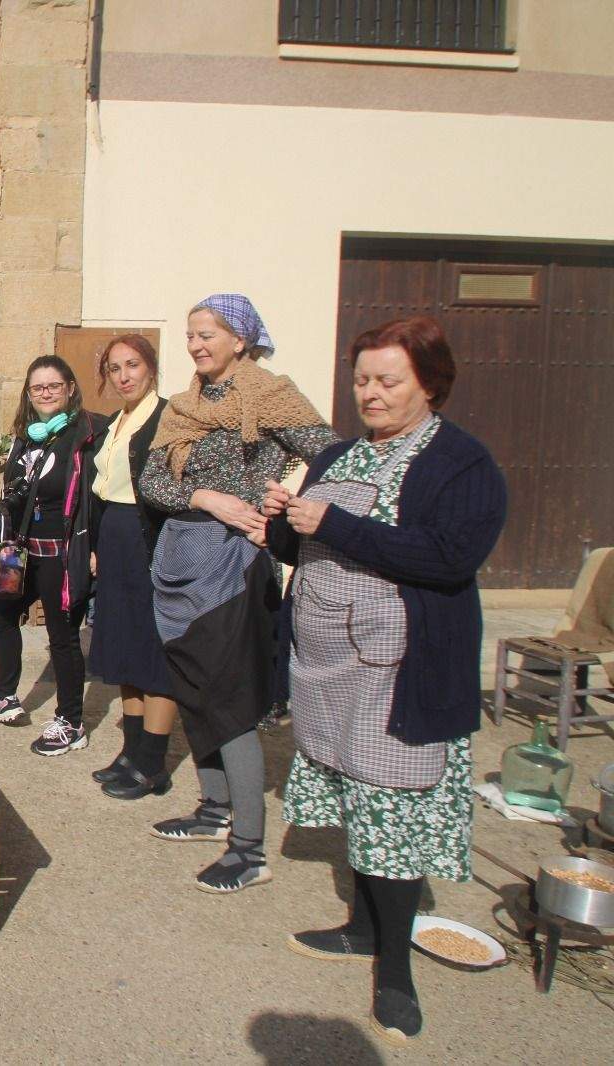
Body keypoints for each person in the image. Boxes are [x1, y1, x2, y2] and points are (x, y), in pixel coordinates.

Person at [265, 316, 505, 1044]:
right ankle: (363, 928)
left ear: (429, 383)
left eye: (388, 380)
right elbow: (300, 547)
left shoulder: (461, 463)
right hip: (331, 668)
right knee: (359, 805)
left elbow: (448, 558)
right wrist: (282, 521)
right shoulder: (340, 455)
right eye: (362, 379)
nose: (370, 392)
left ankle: (395, 972)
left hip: (399, 673)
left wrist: (331, 525)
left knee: (392, 812)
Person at [136, 294, 336, 893]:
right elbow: (151, 480)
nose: (196, 345)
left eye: (208, 334)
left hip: (235, 564)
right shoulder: (184, 407)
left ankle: (249, 849)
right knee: (193, 690)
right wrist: (204, 497)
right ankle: (214, 808)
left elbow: (333, 456)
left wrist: (283, 508)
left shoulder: (271, 397)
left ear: (240, 340)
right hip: (180, 560)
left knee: (229, 698)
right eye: (191, 335)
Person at [0, 355, 102, 757]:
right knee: (2, 611)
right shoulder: (27, 437)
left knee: (62, 636)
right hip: (24, 553)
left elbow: (98, 498)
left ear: (70, 389)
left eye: (53, 386)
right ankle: (6, 696)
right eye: (37, 387)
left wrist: (96, 548)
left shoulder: (85, 436)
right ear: (29, 394)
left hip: (62, 554)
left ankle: (71, 722)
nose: (46, 393)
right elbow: (10, 497)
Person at [83, 335, 180, 800]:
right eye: (115, 368)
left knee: (152, 650)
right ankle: (131, 751)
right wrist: (96, 547)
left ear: (151, 368)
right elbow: (103, 489)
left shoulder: (167, 418)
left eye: (133, 365)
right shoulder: (115, 421)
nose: (124, 376)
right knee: (124, 645)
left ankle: (153, 762)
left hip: (149, 539)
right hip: (116, 538)